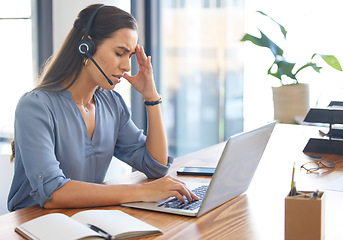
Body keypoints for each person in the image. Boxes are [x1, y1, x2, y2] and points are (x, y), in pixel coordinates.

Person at [8, 4, 198, 211]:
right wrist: (143, 193)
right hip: (34, 225)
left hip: (84, 218)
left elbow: (155, 166)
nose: (127, 66)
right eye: (119, 53)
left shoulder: (112, 103)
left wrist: (151, 97)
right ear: (86, 47)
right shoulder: (35, 106)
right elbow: (52, 192)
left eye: (130, 56)